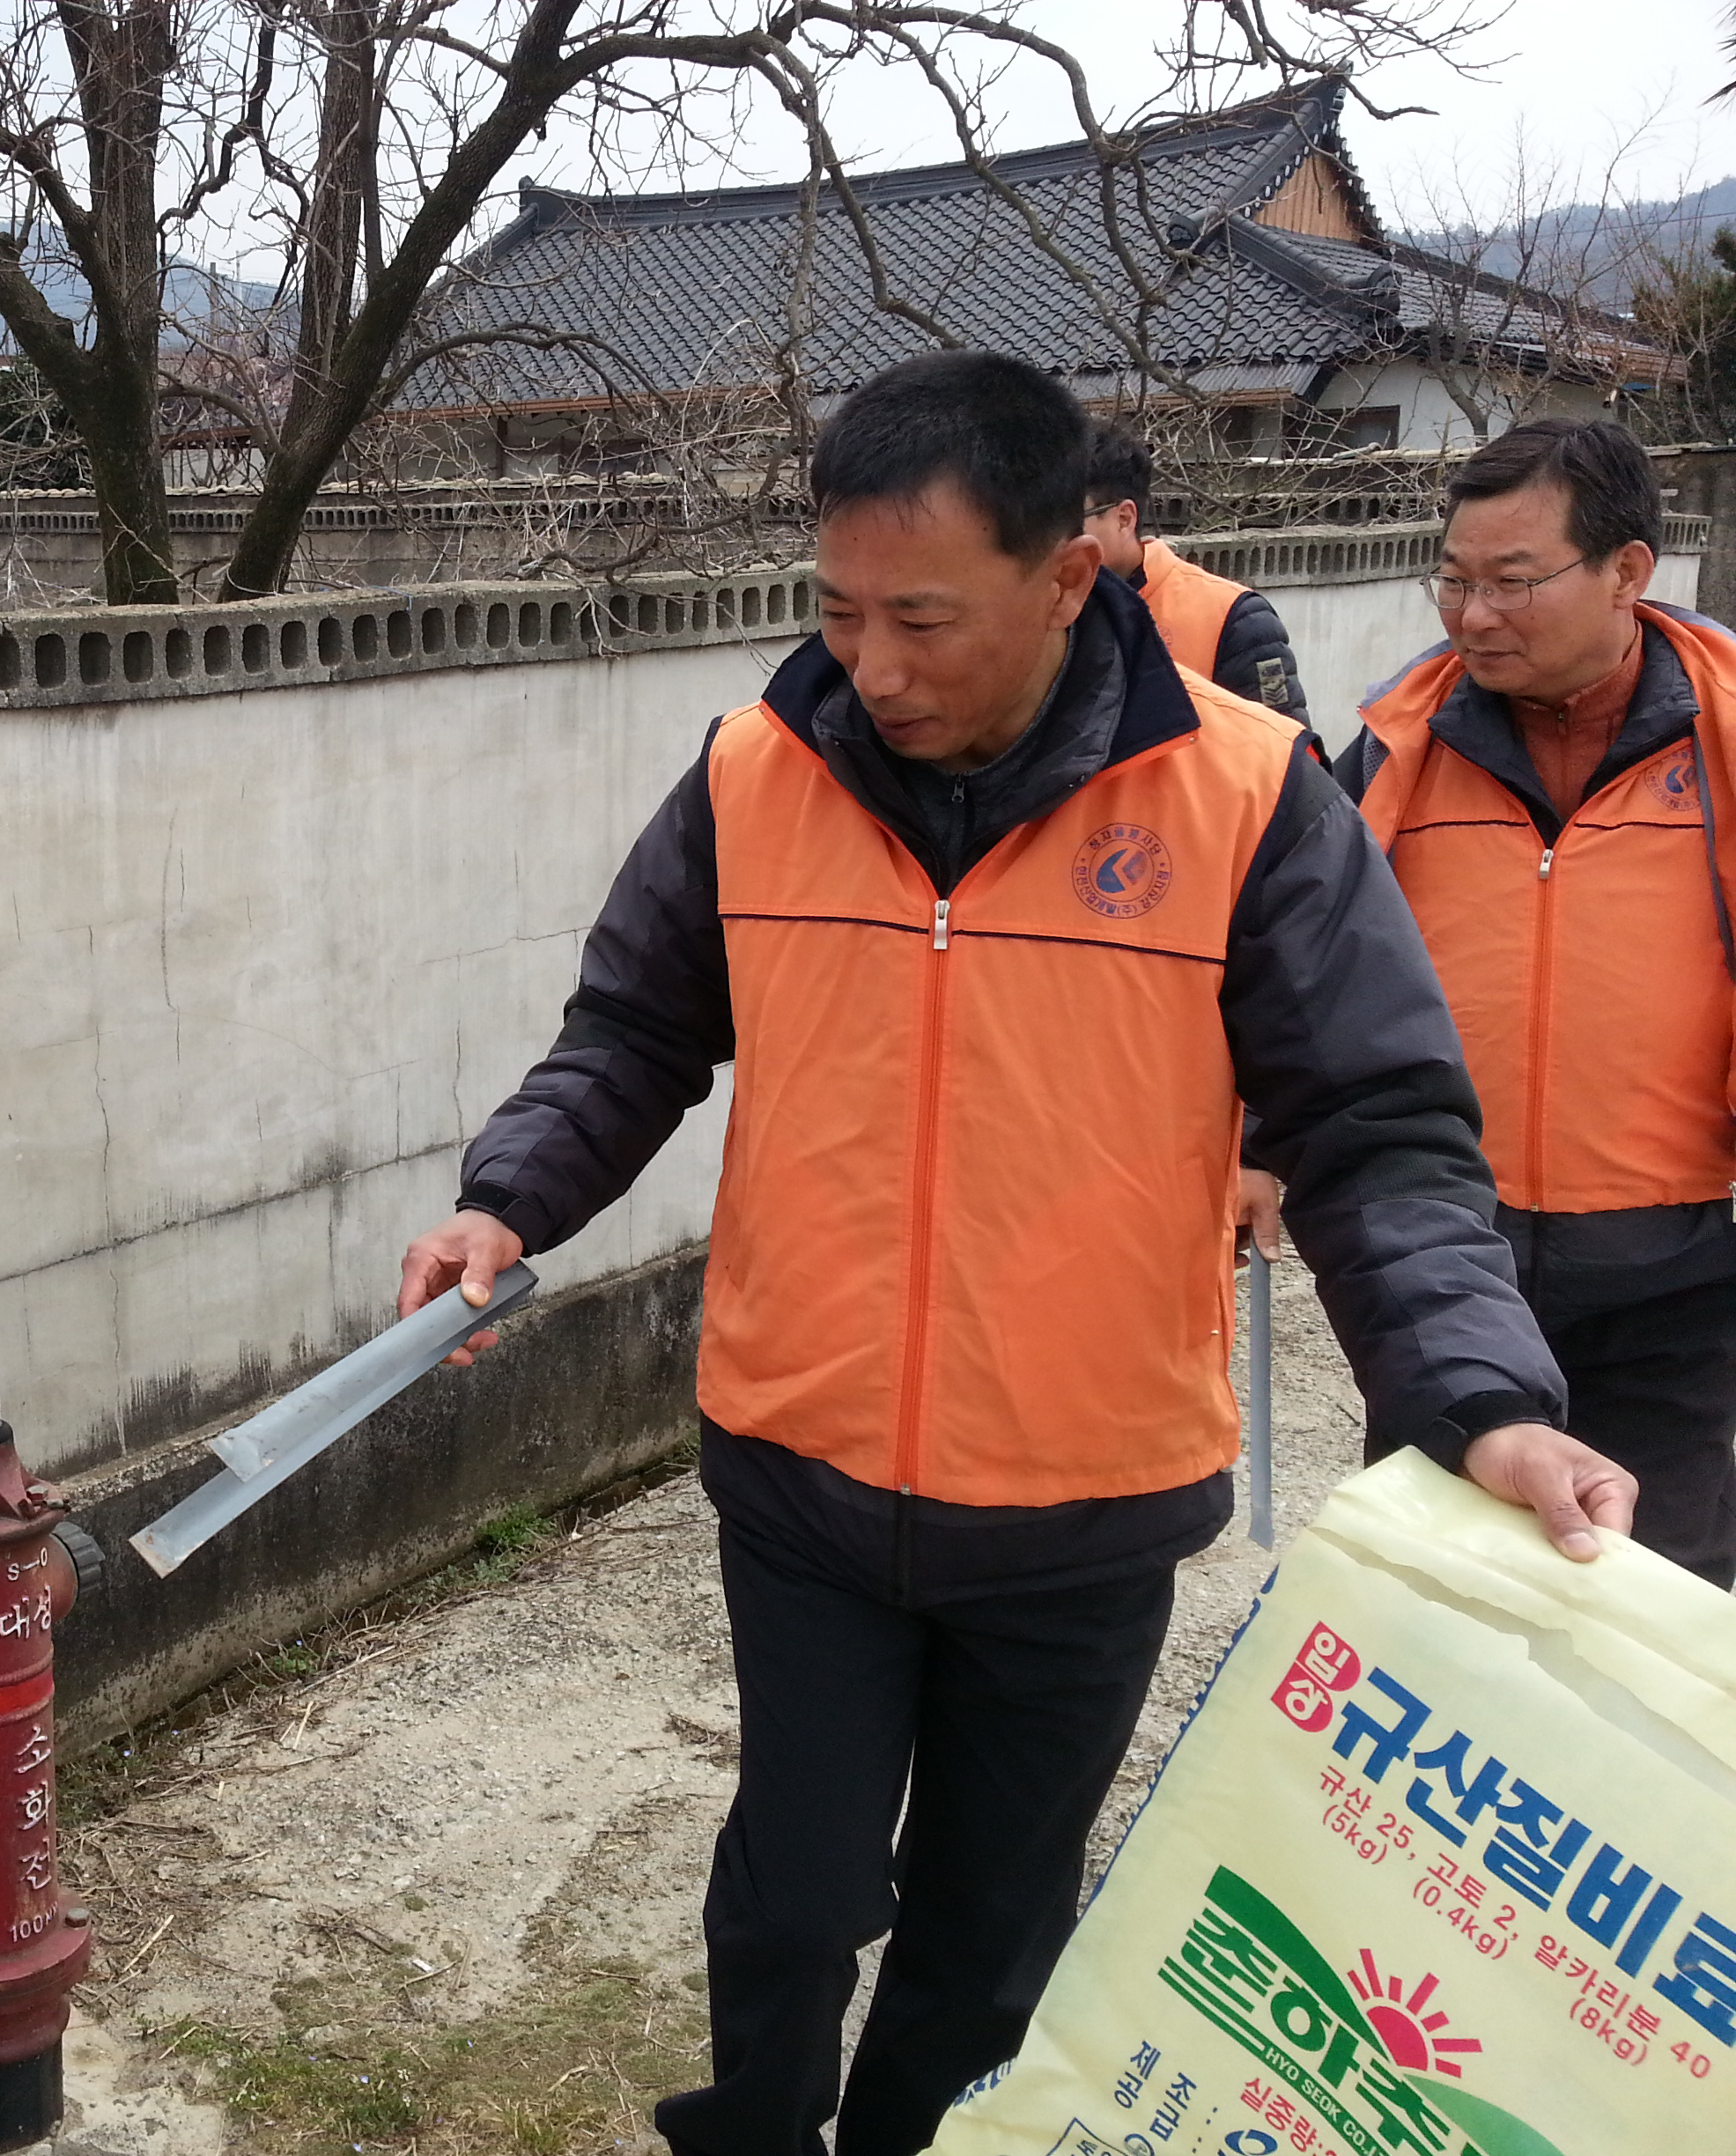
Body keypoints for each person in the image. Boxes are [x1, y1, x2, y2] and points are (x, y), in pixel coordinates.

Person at [395, 352, 1634, 2156]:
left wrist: (1484, 1401)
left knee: (991, 1935)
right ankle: (754, 2127)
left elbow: (1379, 1131)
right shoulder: (758, 770)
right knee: (796, 1893)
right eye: (836, 611)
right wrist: (507, 1197)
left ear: (1070, 578)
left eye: (923, 619)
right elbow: (632, 1034)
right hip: (804, 1466)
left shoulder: (1243, 799)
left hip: (1084, 1499)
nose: (873, 668)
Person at [1337, 418, 1736, 1587]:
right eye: (1453, 581)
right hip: (1446, 1248)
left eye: (1513, 582)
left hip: (1677, 1256)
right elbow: (1308, 983)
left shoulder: (1720, 744)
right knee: (1432, 1577)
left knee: (1657, 1581)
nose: (1472, 617)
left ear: (1626, 572)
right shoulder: (1390, 751)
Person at [1084, 419, 1311, 725]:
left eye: (1065, 521)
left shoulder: (1233, 618)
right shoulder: (1037, 611)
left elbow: (1285, 755)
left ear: (1124, 518)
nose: (1049, 539)